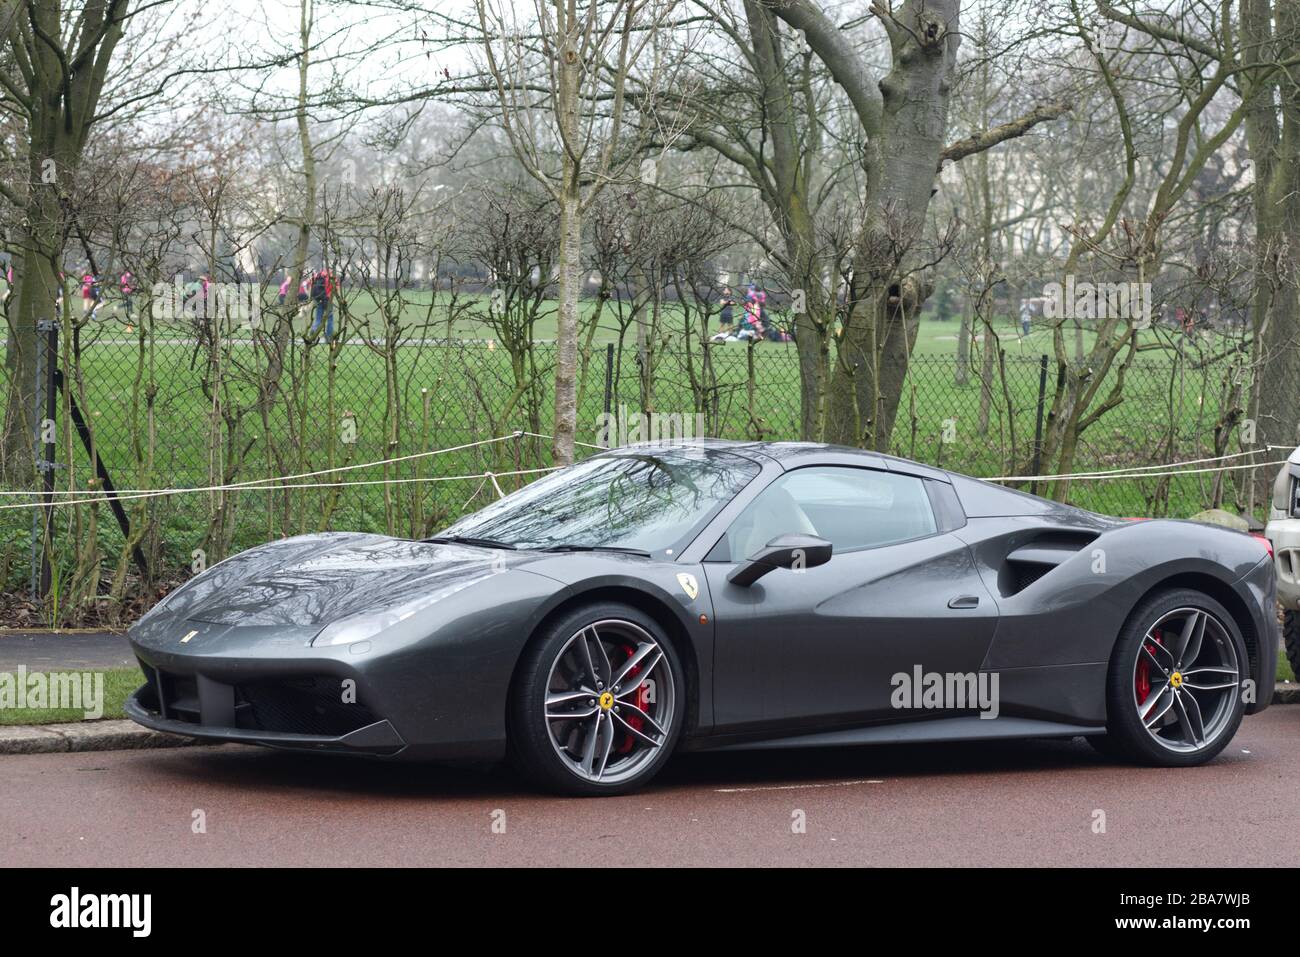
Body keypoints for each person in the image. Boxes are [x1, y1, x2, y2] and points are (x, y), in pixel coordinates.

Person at [308, 267, 335, 340]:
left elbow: (311, 284)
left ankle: (313, 331)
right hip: (328, 300)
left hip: (319, 299)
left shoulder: (318, 275)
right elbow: (335, 289)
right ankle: (329, 336)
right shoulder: (332, 277)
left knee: (318, 318)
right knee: (330, 319)